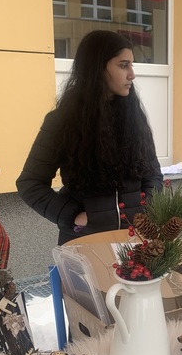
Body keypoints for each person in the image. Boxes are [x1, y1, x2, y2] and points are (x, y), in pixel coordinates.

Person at [16, 31, 163, 244]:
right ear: (98, 68)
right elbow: (30, 183)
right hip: (84, 244)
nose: (132, 74)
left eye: (132, 65)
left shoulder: (134, 119)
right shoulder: (63, 121)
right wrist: (74, 216)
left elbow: (153, 175)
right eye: (124, 65)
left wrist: (145, 209)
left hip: (134, 242)